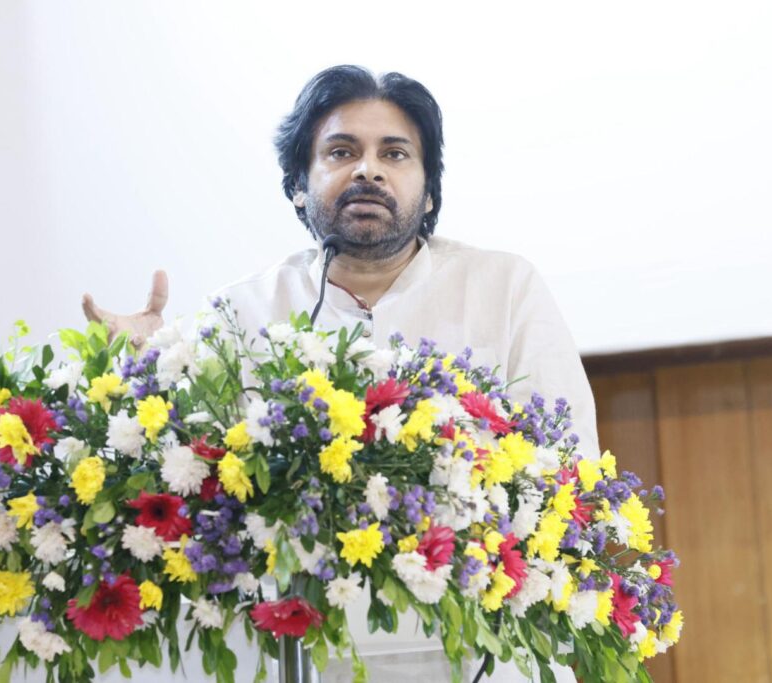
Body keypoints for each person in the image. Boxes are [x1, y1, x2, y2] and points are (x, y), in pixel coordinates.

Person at [82, 65, 594, 681]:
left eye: (394, 153)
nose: (368, 170)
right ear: (299, 186)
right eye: (341, 152)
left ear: (430, 191)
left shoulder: (504, 287)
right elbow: (190, 487)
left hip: (484, 646)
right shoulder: (241, 313)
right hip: (300, 649)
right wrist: (147, 364)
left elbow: (572, 465)